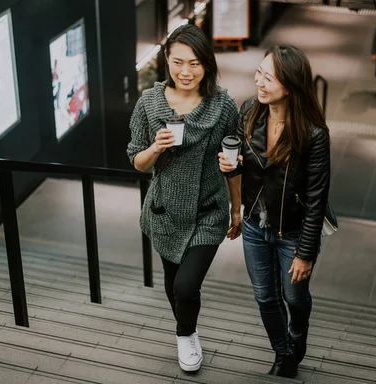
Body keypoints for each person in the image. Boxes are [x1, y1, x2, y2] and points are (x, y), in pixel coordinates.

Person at [126, 24, 241, 373]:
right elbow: (136, 160)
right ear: (166, 60)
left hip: (208, 210)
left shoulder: (223, 107)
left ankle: (185, 333)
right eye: (178, 62)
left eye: (194, 63)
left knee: (187, 285)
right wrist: (155, 147)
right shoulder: (149, 103)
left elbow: (233, 162)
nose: (185, 71)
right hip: (164, 211)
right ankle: (187, 331)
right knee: (173, 280)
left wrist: (237, 208)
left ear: (206, 63)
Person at [219, 44, 330, 378]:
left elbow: (316, 199)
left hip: (293, 232)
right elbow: (239, 164)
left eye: (270, 78)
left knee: (294, 296)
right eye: (260, 73)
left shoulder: (313, 134)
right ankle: (283, 354)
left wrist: (306, 254)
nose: (260, 82)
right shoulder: (250, 111)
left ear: (291, 86)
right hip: (255, 224)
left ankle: (298, 328)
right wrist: (230, 166)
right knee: (265, 296)